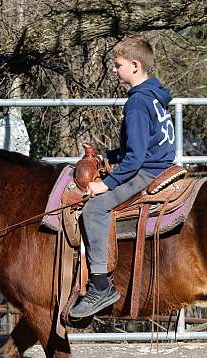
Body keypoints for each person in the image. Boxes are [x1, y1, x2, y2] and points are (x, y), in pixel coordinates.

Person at [69, 34, 176, 319]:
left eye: (117, 66)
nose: (114, 71)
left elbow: (137, 158)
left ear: (135, 65)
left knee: (94, 209)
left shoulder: (137, 103)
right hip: (162, 164)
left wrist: (105, 183)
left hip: (147, 171)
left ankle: (101, 286)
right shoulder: (154, 96)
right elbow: (142, 144)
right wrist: (108, 156)